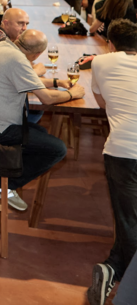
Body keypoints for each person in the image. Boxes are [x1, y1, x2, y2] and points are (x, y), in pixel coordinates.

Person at [0, 29, 83, 211]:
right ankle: (0, 182)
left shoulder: (1, 46)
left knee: (39, 133)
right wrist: (73, 93)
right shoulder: (17, 60)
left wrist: (56, 82)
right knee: (56, 149)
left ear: (18, 39)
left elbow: (25, 79)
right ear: (38, 54)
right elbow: (47, 99)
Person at [88, 19, 137, 305]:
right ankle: (113, 267)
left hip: (122, 150)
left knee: (128, 218)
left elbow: (102, 102)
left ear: (111, 43)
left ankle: (121, 275)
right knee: (128, 218)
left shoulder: (100, 63)